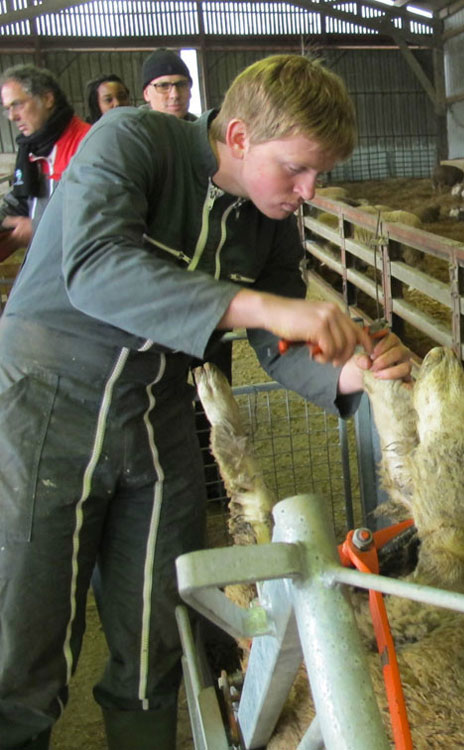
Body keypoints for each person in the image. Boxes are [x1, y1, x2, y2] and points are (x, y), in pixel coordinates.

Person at [0, 54, 412, 750]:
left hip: (164, 415)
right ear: (242, 136)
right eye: (297, 169)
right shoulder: (134, 141)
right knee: (28, 626)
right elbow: (95, 267)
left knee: (160, 620)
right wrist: (271, 309)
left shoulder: (270, 218)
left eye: (320, 175)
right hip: (50, 401)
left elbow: (279, 343)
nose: (309, 191)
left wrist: (352, 373)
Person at [0, 64, 90, 261]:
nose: (12, 116)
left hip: (82, 267)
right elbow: (20, 200)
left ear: (47, 99)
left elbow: (99, 216)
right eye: (7, 108)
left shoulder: (87, 145)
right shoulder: (32, 151)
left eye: (18, 104)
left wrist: (40, 229)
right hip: (48, 263)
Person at [140, 48, 195, 121]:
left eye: (182, 85)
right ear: (146, 94)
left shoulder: (206, 130)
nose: (175, 95)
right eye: (163, 86)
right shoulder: (132, 130)